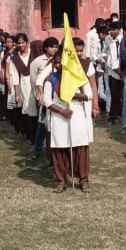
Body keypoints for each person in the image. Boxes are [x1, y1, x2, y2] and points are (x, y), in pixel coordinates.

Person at [42, 59, 94, 193]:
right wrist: (61, 111)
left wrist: (74, 95)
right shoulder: (51, 79)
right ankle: (61, 180)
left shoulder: (79, 76)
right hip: (59, 115)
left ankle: (83, 179)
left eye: (61, 62)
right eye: (56, 63)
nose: (59, 65)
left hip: (76, 113)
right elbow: (47, 101)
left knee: (80, 145)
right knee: (59, 146)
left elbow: (89, 95)